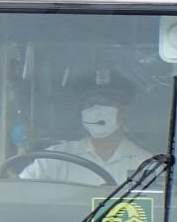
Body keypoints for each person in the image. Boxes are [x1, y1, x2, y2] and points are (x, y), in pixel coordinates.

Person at [19, 71, 152, 185]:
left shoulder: (145, 164)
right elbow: (21, 189)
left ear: (124, 112)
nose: (96, 109)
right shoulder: (57, 158)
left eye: (105, 103)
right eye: (89, 104)